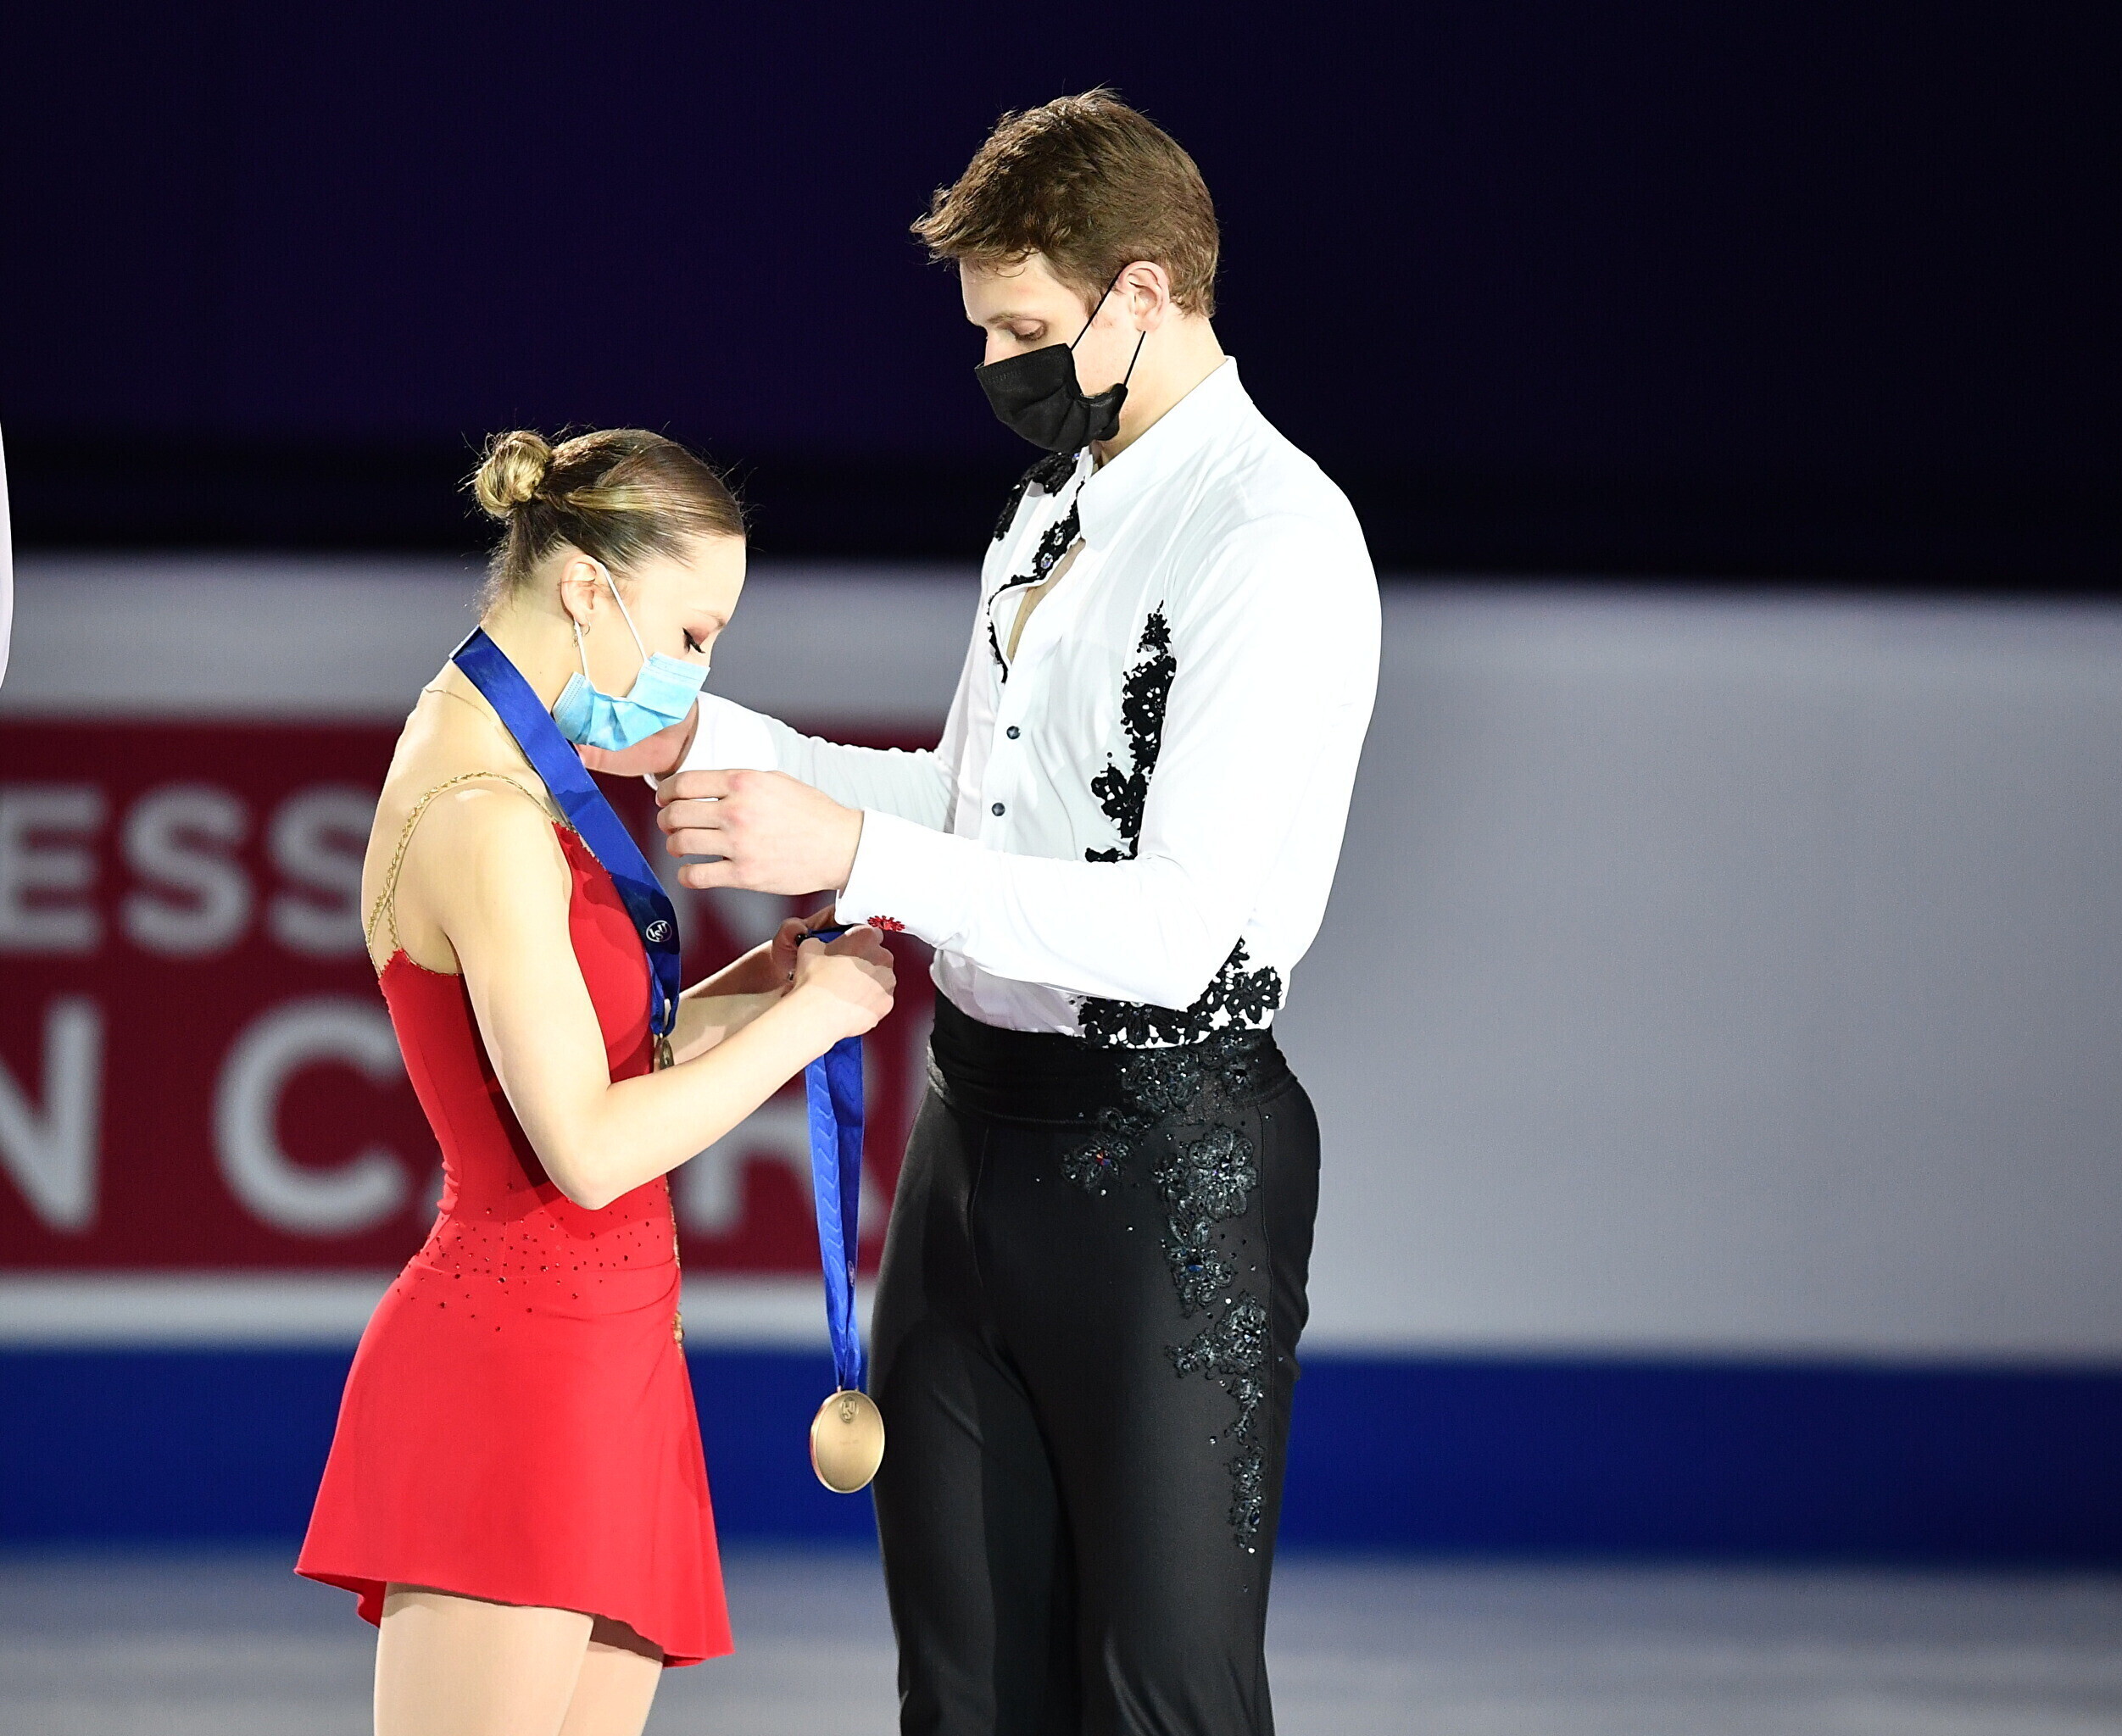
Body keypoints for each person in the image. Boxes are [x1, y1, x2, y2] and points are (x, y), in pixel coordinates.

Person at [599, 91, 1383, 1733]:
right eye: (982, 332)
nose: (995, 366)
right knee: (960, 1692)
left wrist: (853, 856)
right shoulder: (1045, 514)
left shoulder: (1273, 539)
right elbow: (970, 804)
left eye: (1024, 329)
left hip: (1168, 1168)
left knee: (1159, 1696)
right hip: (970, 1147)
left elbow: (1175, 928)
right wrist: (720, 749)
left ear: (1144, 293)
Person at [296, 427, 899, 1736]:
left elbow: (601, 1061)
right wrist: (813, 1024)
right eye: (690, 634)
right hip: (517, 1374)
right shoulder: (483, 812)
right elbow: (587, 1146)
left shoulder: (505, 772)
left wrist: (761, 991)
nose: (695, 673)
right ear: (585, 588)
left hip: (606, 1360)